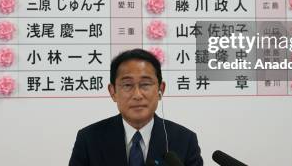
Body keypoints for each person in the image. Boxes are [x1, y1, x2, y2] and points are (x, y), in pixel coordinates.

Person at [69, 48, 203, 166]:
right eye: (127, 85)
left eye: (145, 84)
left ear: (160, 89)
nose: (137, 95)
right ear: (113, 92)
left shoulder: (185, 140)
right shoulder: (89, 139)